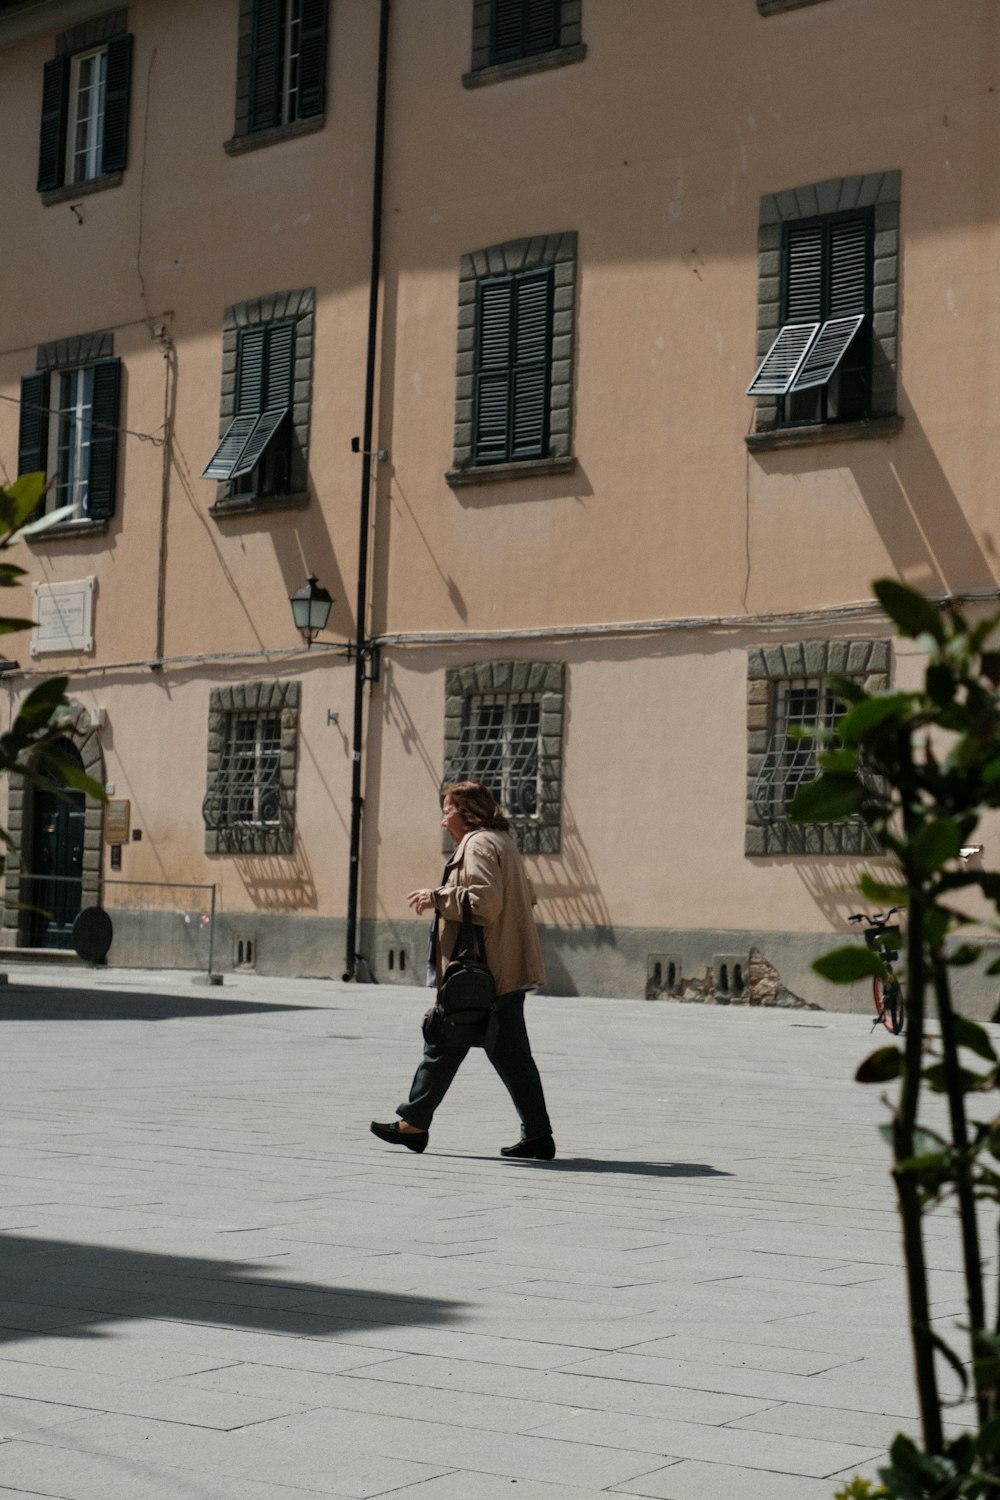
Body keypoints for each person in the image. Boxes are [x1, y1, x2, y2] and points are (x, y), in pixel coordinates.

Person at [370, 780, 555, 1160]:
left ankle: (415, 1124)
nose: (443, 820)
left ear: (467, 812)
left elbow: (484, 903)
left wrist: (436, 897)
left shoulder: (478, 844)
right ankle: (536, 1136)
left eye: (447, 810)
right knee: (504, 1055)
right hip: (503, 970)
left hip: (482, 974)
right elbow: (527, 896)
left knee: (443, 1038)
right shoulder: (503, 843)